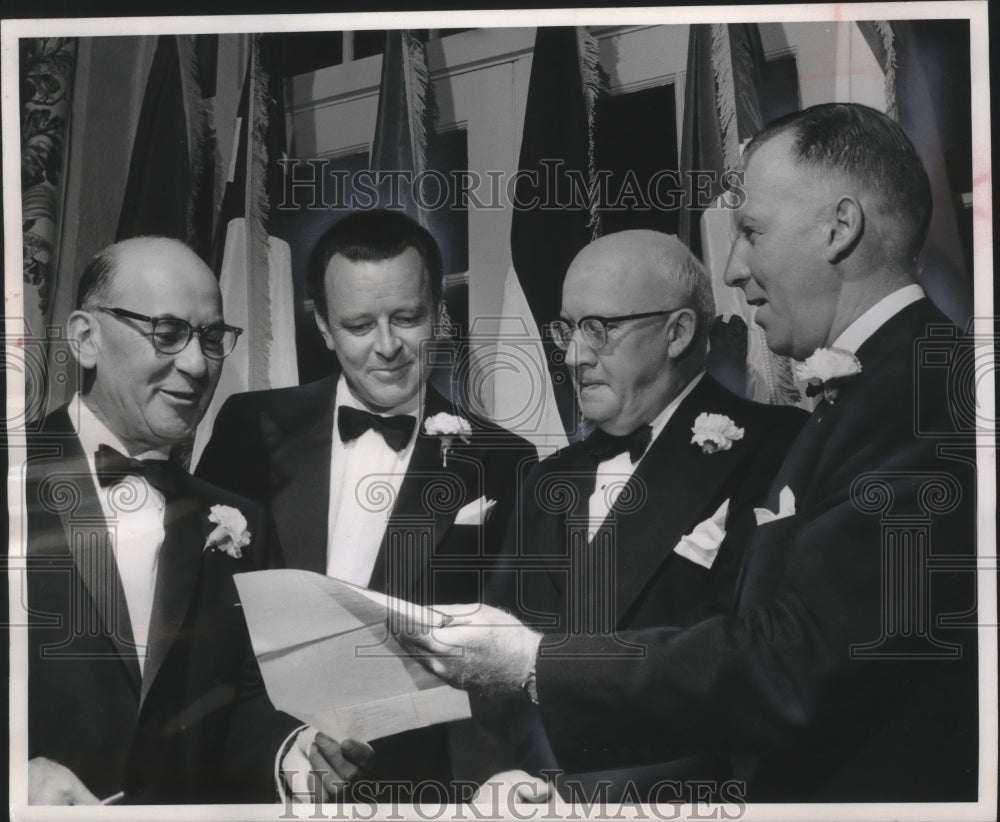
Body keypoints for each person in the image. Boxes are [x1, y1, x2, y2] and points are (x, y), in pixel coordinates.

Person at [399, 103, 979, 803]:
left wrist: (532, 660)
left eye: (752, 232)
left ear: (840, 227)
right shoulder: (881, 387)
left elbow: (794, 665)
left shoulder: (924, 389)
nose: (733, 268)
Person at [196, 210, 538, 794]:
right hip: (256, 777)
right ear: (324, 328)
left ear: (440, 314)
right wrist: (281, 753)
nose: (387, 348)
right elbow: (203, 621)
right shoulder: (248, 426)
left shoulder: (505, 462)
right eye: (358, 325)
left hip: (417, 790)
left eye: (407, 318)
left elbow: (503, 665)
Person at [24, 237, 372, 805]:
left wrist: (294, 756)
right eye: (167, 333)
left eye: (212, 339)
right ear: (86, 339)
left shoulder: (242, 520)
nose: (196, 364)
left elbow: (245, 702)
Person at [465, 230, 806, 798]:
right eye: (566, 329)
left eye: (599, 329)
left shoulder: (777, 450)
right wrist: (499, 779)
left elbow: (757, 673)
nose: (573, 355)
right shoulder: (548, 478)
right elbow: (491, 664)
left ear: (677, 333)